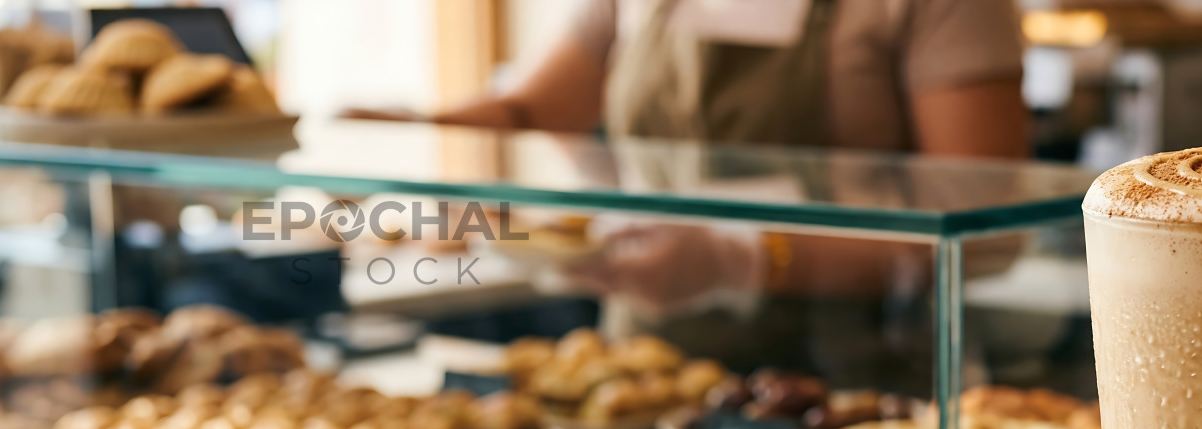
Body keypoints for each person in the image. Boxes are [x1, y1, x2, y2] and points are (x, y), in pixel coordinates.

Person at [358, 0, 1032, 385]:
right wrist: (405, 135)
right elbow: (534, 110)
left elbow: (988, 227)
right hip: (653, 378)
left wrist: (740, 259)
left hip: (865, 384)